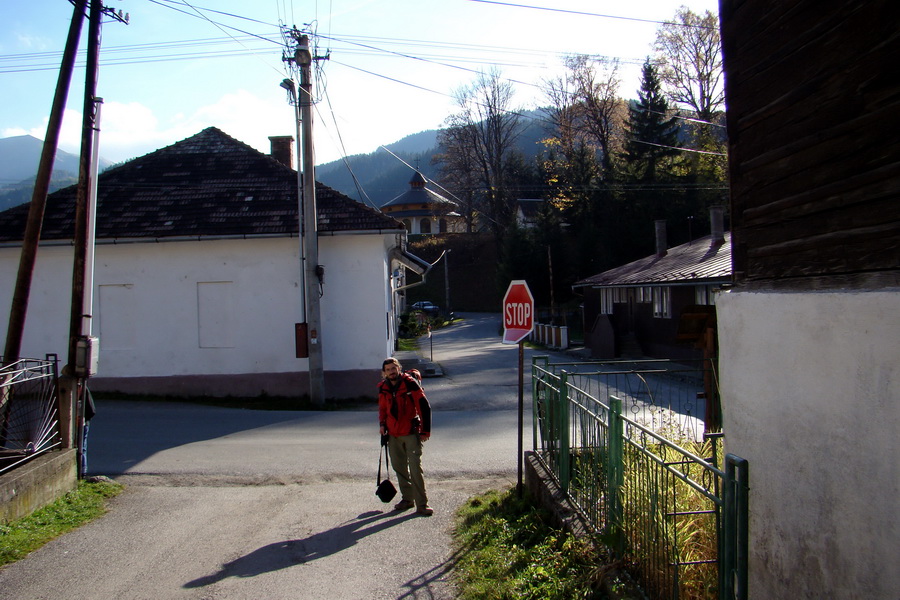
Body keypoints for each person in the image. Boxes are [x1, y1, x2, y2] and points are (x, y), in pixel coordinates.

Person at [378, 357, 433, 516]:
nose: (391, 372)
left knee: (415, 469)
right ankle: (407, 499)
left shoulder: (410, 384)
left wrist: (425, 431)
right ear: (384, 373)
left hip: (410, 432)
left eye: (393, 368)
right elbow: (382, 408)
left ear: (398, 368)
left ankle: (422, 504)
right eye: (388, 370)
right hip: (393, 435)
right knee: (399, 468)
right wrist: (382, 425)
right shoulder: (383, 387)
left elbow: (423, 406)